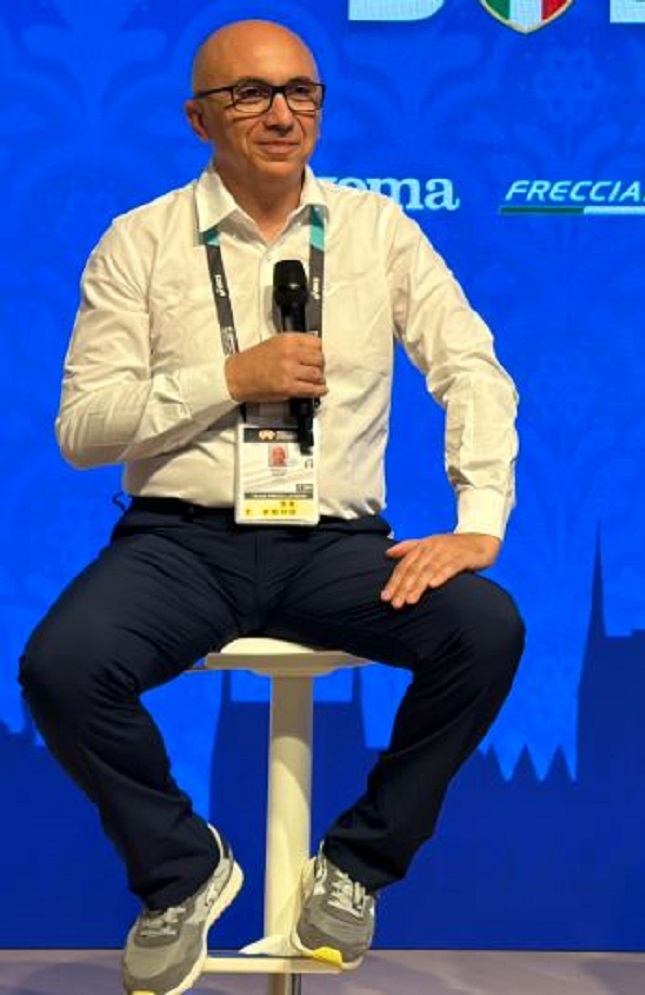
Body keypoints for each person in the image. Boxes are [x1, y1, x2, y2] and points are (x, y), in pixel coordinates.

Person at [19, 19, 523, 995]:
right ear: (198, 117)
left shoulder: (377, 230)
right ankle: (181, 871)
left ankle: (357, 864)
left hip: (335, 546)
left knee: (486, 628)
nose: (283, 113)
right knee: (61, 667)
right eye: (250, 94)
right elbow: (83, 428)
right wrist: (229, 378)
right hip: (181, 543)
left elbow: (472, 368)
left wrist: (480, 518)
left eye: (301, 92)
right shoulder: (140, 241)